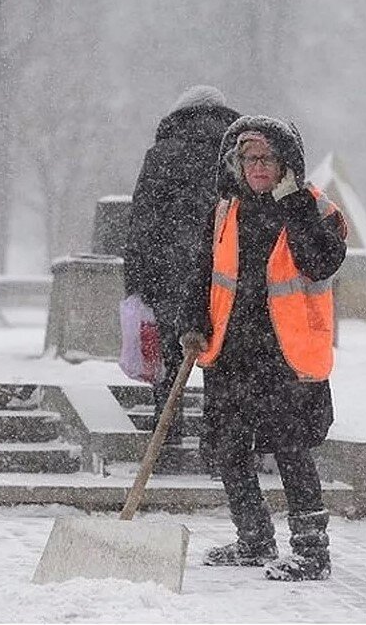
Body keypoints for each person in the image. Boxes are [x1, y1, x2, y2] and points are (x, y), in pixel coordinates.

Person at [179, 115, 347, 581]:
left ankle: (312, 552)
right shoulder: (225, 211)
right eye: (249, 157)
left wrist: (290, 202)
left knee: (291, 450)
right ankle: (253, 539)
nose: (257, 166)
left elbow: (318, 262)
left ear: (285, 163)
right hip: (231, 351)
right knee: (229, 448)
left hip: (285, 356)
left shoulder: (316, 210)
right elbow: (202, 274)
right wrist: (192, 322)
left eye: (267, 157)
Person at [123, 85, 240, 457]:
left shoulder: (162, 155)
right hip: (224, 273)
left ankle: (167, 439)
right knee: (219, 360)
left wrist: (136, 281)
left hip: (168, 272)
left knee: (171, 360)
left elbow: (141, 222)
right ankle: (215, 445)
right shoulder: (237, 155)